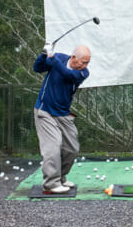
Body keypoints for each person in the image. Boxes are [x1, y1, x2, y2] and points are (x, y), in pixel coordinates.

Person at [32, 43, 91, 194]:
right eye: (83, 62)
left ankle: (61, 177)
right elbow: (37, 68)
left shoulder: (83, 73)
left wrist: (51, 56)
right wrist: (44, 55)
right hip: (45, 111)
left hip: (64, 114)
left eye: (87, 62)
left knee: (72, 148)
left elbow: (67, 74)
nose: (85, 65)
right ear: (73, 58)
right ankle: (51, 184)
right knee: (53, 146)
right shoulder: (58, 58)